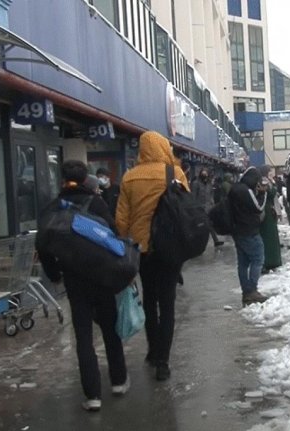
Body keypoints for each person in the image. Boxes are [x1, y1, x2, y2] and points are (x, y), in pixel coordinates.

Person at [37, 160, 129, 412]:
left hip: (74, 281)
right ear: (87, 180)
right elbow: (114, 232)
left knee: (84, 337)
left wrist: (54, 273)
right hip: (102, 278)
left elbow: (42, 243)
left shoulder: (54, 207)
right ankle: (119, 381)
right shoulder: (96, 203)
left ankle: (92, 396)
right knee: (110, 330)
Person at [115, 131, 188, 381]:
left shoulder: (129, 178)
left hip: (141, 251)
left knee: (149, 300)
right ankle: (163, 362)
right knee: (167, 304)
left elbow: (121, 220)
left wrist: (126, 241)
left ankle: (153, 350)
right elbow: (185, 210)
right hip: (169, 249)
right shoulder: (175, 174)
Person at [229, 167, 269, 306]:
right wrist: (263, 194)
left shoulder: (235, 189)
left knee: (243, 263)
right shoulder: (246, 191)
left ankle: (246, 292)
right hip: (249, 231)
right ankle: (252, 290)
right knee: (258, 258)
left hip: (237, 230)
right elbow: (258, 207)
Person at [190, 168, 223, 247]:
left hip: (208, 208)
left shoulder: (209, 184)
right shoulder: (196, 184)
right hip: (199, 208)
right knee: (199, 226)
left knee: (209, 224)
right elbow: (193, 196)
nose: (205, 175)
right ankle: (196, 242)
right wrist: (194, 208)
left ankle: (215, 241)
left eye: (206, 174)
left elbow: (211, 195)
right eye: (203, 173)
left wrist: (212, 204)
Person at [258, 166, 282, 272]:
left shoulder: (264, 181)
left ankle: (270, 261)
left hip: (268, 212)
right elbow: (271, 193)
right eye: (269, 172)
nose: (270, 174)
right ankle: (270, 261)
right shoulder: (264, 181)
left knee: (269, 237)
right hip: (267, 212)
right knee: (269, 238)